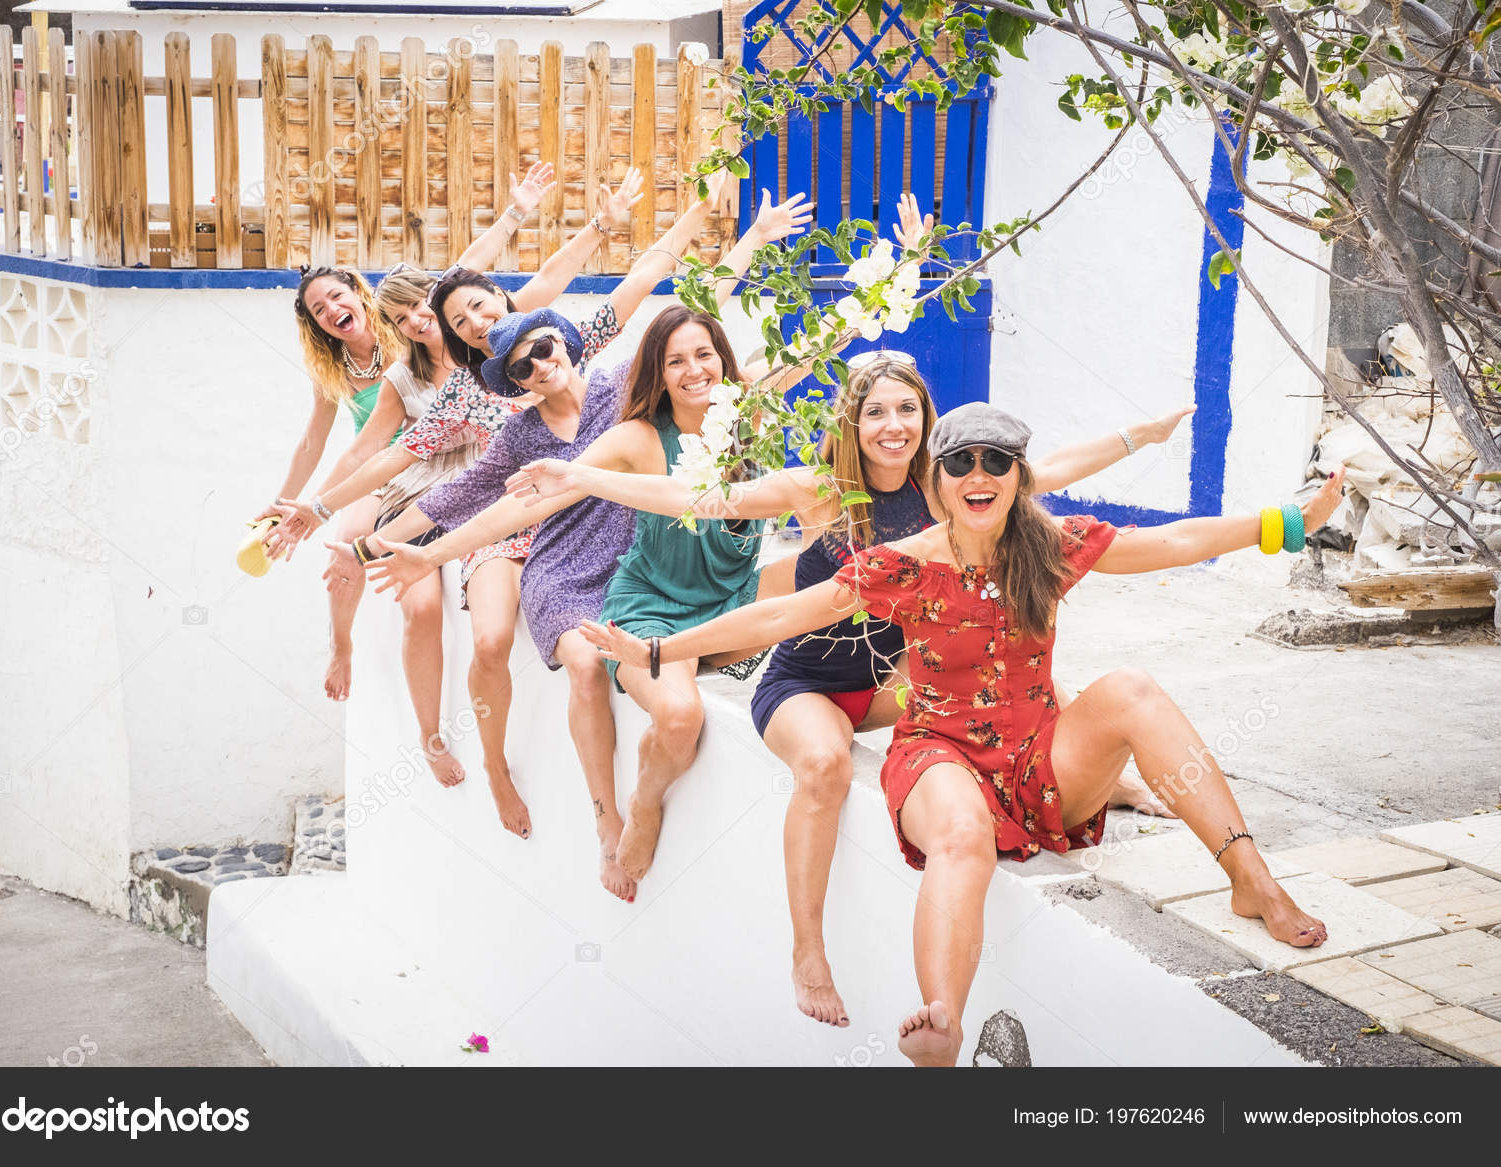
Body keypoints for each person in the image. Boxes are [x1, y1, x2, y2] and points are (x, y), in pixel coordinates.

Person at [579, 401, 1344, 1064]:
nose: (979, 474)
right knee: (962, 833)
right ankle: (943, 1017)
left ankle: (1251, 879)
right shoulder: (903, 564)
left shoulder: (1052, 545)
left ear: (1018, 475)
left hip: (1037, 759)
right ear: (939, 480)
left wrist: (1287, 523)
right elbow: (781, 613)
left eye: (997, 461)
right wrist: (661, 650)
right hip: (938, 756)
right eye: (961, 462)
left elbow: (1177, 543)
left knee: (1132, 690)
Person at [510, 353, 1194, 1025]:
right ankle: (806, 948)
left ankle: (1112, 781)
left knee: (1011, 664)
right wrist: (581, 474)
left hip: (892, 680)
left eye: (907, 410)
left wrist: (1143, 434)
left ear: (925, 418)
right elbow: (698, 499)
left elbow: (1059, 466)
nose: (893, 426)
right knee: (823, 766)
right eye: (876, 413)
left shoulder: (946, 485)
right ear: (853, 423)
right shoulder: (821, 490)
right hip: (809, 682)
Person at [344, 189, 810, 890]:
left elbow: (690, 314)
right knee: (586, 665)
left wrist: (752, 235)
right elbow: (461, 500)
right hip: (562, 569)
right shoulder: (518, 435)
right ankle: (602, 815)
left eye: (542, 349)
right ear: (512, 381)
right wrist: (385, 547)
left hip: (634, 561)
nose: (538, 365)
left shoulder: (622, 389)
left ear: (562, 342)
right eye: (520, 366)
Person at [262, 168, 646, 813]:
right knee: (415, 591)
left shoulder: (521, 338)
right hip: (464, 495)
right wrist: (315, 508)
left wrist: (576, 222)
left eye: (429, 310)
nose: (424, 321)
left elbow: (577, 283)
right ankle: (454, 739)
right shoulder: (424, 383)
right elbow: (381, 453)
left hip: (541, 495)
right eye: (409, 318)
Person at [259, 163, 563, 708]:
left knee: (365, 540)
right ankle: (341, 643)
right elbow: (335, 445)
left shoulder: (410, 332)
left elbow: (464, 274)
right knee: (346, 543)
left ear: (359, 294)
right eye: (319, 310)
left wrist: (515, 213)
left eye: (337, 297)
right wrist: (293, 505)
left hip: (427, 457)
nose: (333, 311)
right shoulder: (337, 370)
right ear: (314, 325)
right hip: (389, 464)